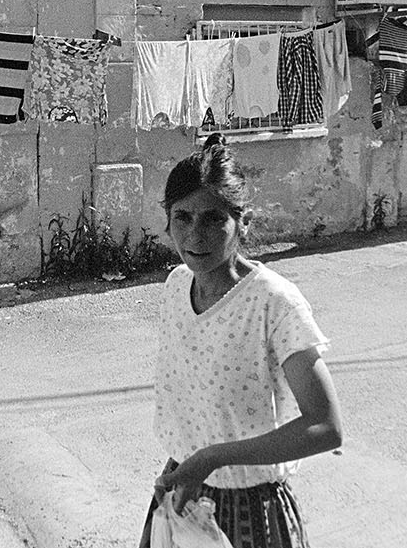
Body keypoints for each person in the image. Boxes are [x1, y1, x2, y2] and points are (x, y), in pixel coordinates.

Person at [142, 133, 344, 548]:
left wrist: (214, 457)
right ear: (167, 221)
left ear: (243, 222)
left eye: (214, 218)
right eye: (183, 217)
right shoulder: (177, 286)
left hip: (250, 510)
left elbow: (325, 427)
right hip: (181, 490)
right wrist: (190, 469)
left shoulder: (274, 303)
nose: (196, 235)